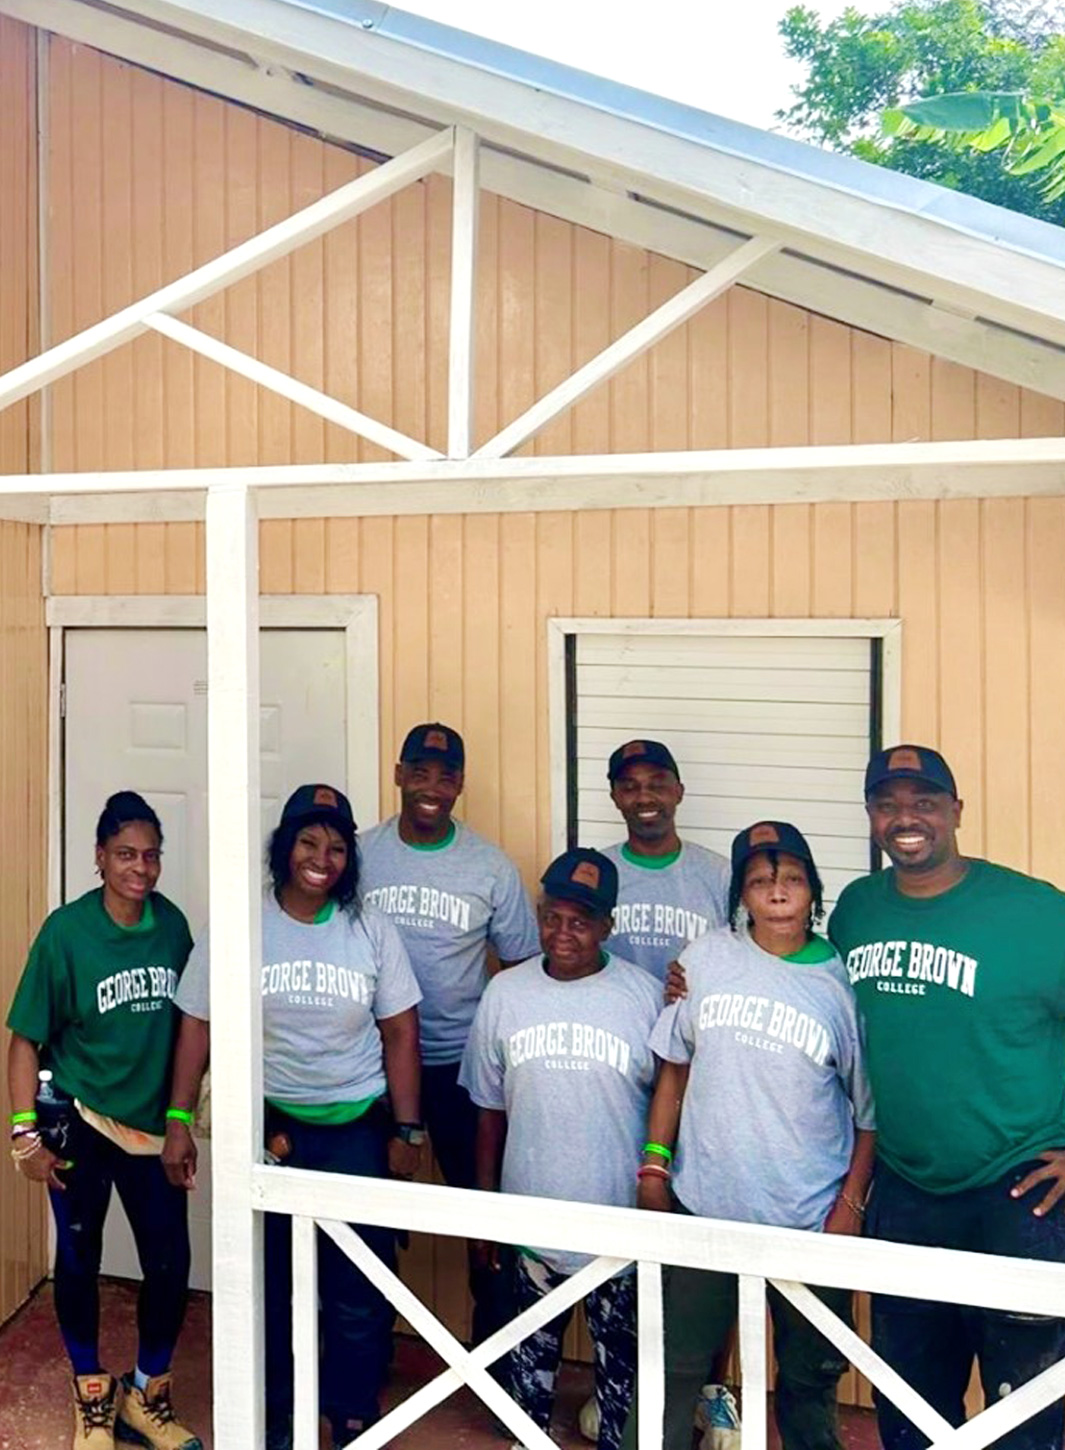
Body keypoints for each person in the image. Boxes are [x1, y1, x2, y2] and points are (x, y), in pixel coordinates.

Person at [162, 783, 422, 1450]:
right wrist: (177, 1117)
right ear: (284, 848)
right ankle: (278, 1410)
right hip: (272, 1126)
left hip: (358, 1123)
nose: (322, 858)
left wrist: (406, 1127)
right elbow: (197, 1023)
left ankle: (351, 1406)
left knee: (357, 1282)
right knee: (271, 1279)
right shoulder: (243, 926)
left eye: (336, 847)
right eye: (308, 842)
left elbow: (399, 1031)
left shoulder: (369, 929)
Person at [829, 744, 1065, 1450]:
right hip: (902, 1182)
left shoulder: (1034, 912)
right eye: (887, 803)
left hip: (1018, 1186)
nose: (906, 818)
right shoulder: (855, 910)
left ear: (955, 811)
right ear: (871, 816)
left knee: (1023, 1401)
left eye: (923, 802)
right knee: (909, 1392)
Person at [627, 821, 876, 1450]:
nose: (777, 889)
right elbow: (675, 1069)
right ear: (741, 891)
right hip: (706, 1203)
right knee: (675, 1367)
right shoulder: (708, 958)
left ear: (814, 889)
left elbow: (869, 1115)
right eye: (761, 878)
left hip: (807, 1215)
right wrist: (655, 1166)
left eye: (792, 877)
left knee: (808, 1379)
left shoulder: (841, 984)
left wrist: (849, 1206)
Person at [5, 791, 199, 1450]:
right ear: (99, 858)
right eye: (124, 855)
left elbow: (192, 1033)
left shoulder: (173, 928)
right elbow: (25, 1037)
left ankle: (146, 1395)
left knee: (170, 1262)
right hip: (81, 1119)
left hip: (152, 1130)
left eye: (150, 856)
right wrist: (23, 1132)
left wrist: (183, 1118)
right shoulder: (67, 932)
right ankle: (92, 1395)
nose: (139, 869)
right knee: (81, 1260)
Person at [459, 848, 660, 1450]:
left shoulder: (646, 996)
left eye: (582, 921)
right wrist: (486, 1210)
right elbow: (488, 1112)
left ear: (608, 926)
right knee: (527, 1398)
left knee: (623, 1391)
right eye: (553, 917)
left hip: (618, 1227)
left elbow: (669, 1107)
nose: (564, 933)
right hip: (530, 1224)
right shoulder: (506, 994)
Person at [359, 723, 539, 1341]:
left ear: (460, 783)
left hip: (464, 1066)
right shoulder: (360, 855)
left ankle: (497, 1357)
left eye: (446, 774)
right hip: (373, 1065)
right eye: (421, 771)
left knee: (483, 1213)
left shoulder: (489, 866)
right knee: (370, 1214)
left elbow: (521, 968)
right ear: (399, 774)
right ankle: (368, 1350)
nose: (432, 786)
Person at [602, 739, 730, 982]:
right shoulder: (596, 874)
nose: (644, 797)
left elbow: (742, 960)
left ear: (678, 792)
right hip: (614, 1016)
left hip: (693, 1017)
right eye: (630, 787)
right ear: (615, 797)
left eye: (657, 785)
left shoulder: (721, 874)